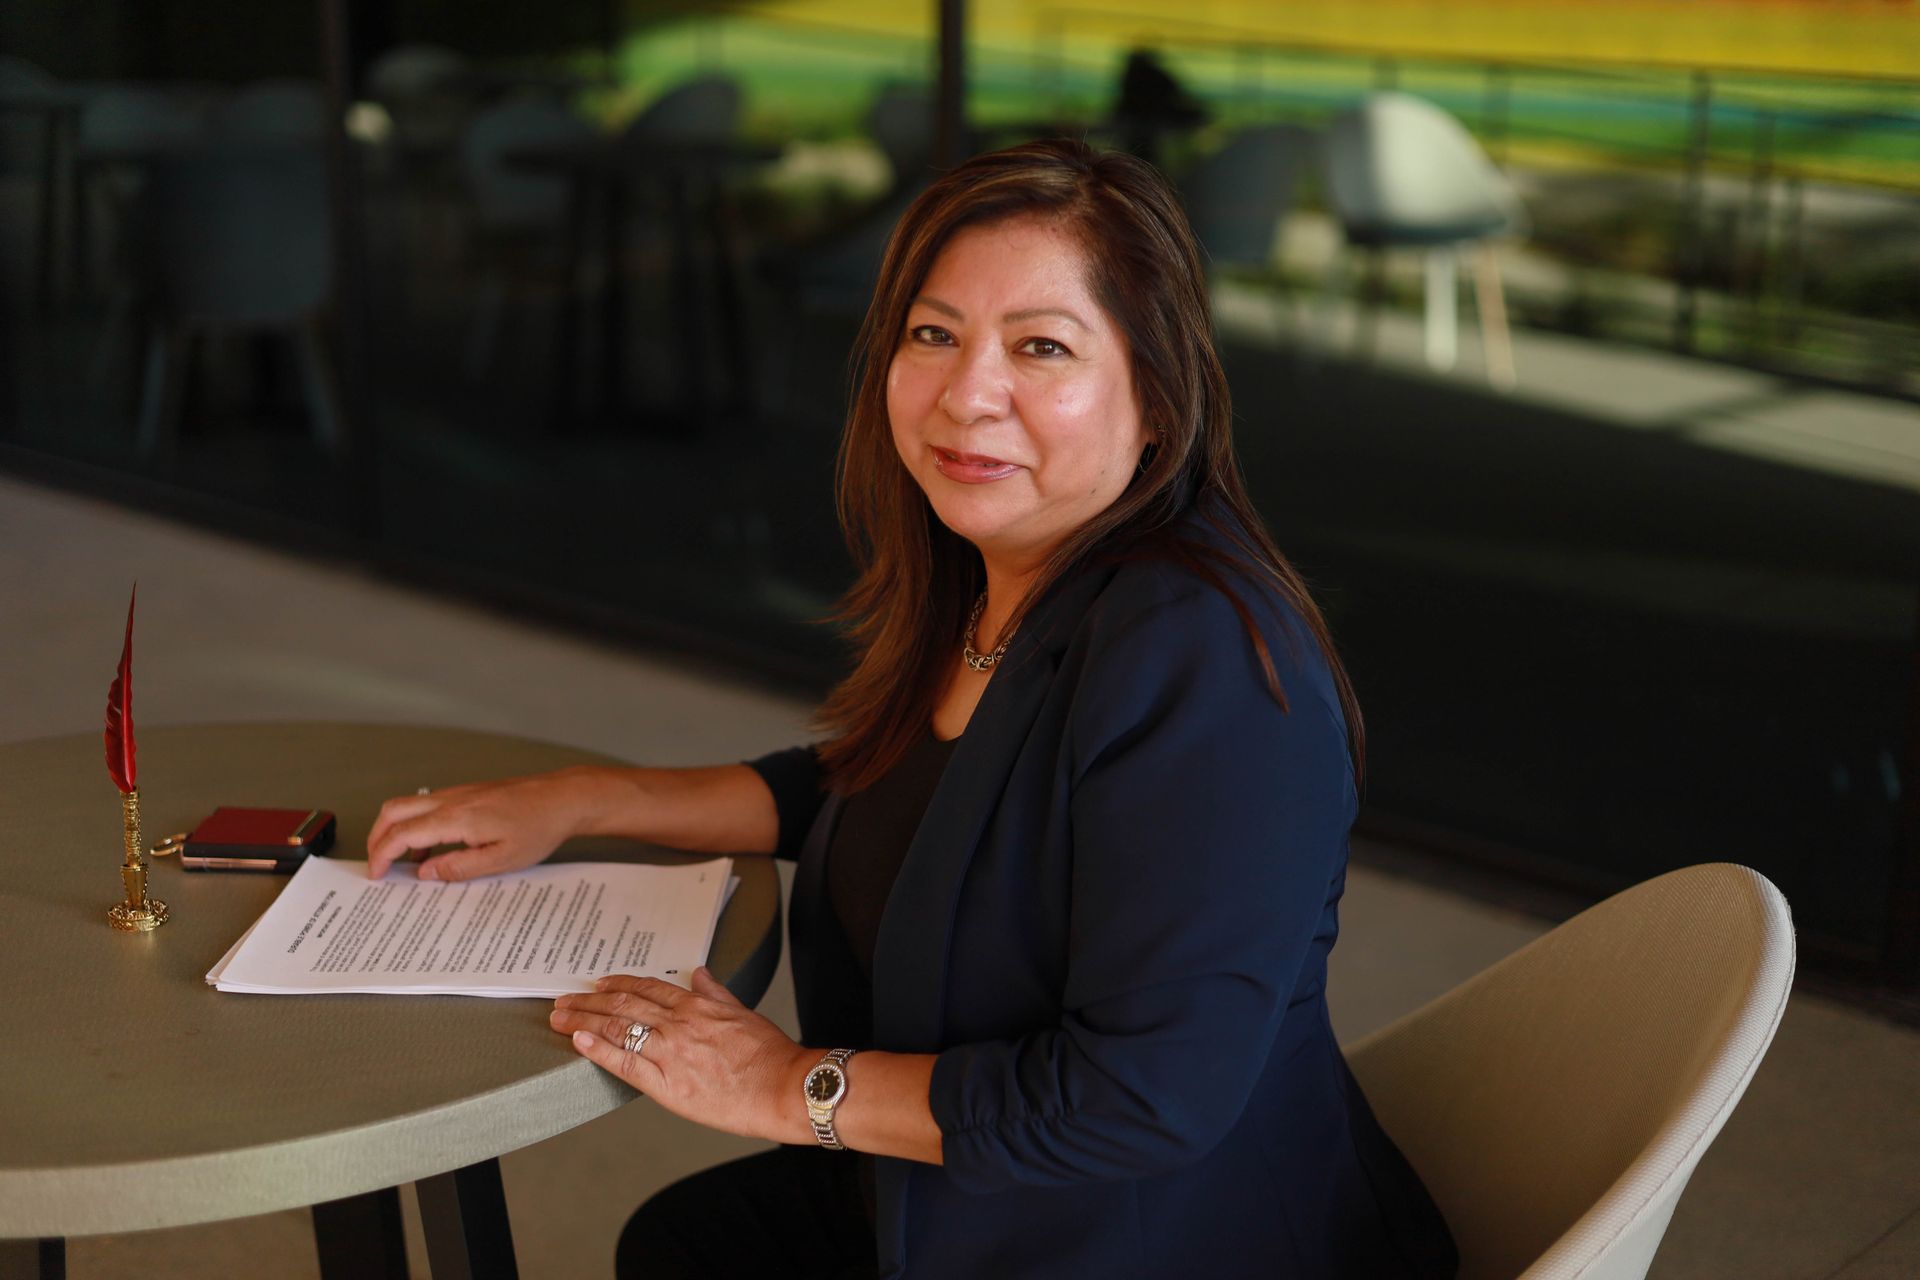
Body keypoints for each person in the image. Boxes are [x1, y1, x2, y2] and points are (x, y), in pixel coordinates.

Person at [364, 139, 1458, 1279]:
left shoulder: (1204, 662)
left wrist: (785, 1085)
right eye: (933, 334)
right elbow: (890, 785)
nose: (965, 394)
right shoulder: (1006, 576)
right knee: (681, 1244)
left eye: (1041, 346)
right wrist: (584, 800)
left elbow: (1140, 1095)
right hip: (976, 1193)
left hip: (1148, 1239)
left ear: (1156, 397)